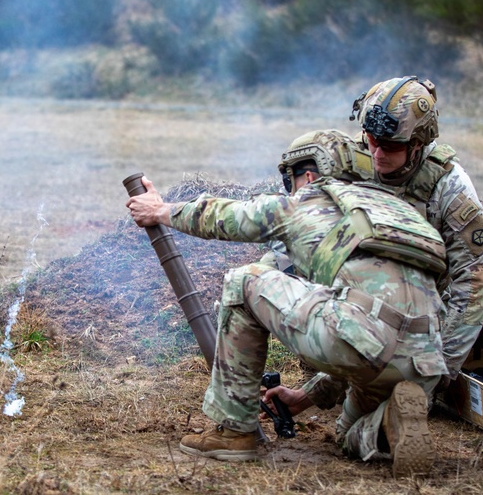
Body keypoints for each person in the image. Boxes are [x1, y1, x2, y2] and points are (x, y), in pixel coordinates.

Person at [126, 130, 448, 477]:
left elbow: (230, 216)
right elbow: (370, 326)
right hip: (424, 363)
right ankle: (386, 423)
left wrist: (161, 210)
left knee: (244, 280)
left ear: (307, 175)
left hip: (364, 340)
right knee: (346, 434)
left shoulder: (309, 200)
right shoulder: (400, 213)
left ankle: (234, 431)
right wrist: (305, 396)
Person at [349, 76, 483, 383]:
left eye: (390, 146)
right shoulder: (355, 162)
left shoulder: (450, 189)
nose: (377, 154)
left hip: (422, 318)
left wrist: (438, 370)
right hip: (362, 304)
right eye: (372, 140)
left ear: (417, 143)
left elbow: (473, 282)